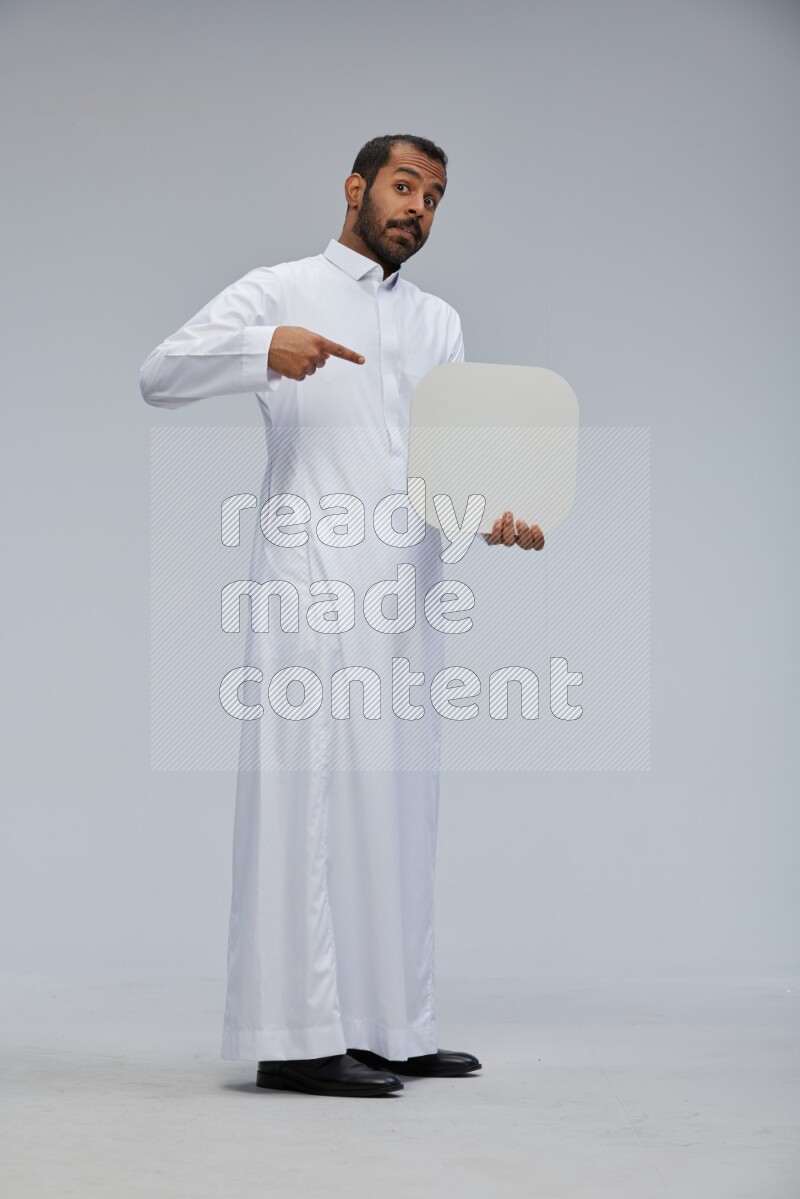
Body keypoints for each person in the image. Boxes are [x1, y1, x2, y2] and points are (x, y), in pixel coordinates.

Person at [139, 134, 544, 1098]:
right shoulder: (282, 288)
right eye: (405, 186)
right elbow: (159, 373)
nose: (418, 209)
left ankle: (393, 1025)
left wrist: (495, 513)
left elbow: (445, 466)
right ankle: (294, 1034)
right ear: (357, 188)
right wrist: (259, 349)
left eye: (434, 197)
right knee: (304, 799)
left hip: (407, 594)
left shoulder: (439, 322)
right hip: (311, 587)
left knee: (395, 806)